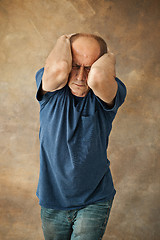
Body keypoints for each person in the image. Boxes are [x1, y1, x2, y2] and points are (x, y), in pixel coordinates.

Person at [35, 33, 127, 240]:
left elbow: (98, 78)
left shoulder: (110, 90)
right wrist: (63, 39)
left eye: (89, 67)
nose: (80, 76)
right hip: (53, 199)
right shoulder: (51, 89)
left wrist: (110, 54)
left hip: (94, 199)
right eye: (75, 65)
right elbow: (58, 67)